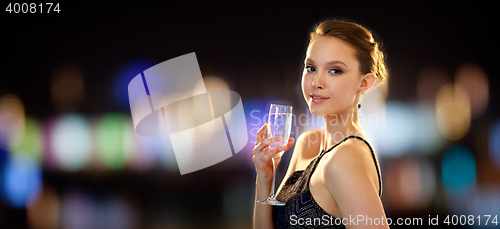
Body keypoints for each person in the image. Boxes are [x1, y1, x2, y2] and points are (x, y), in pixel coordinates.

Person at [252, 20, 389, 228]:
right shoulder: (307, 144)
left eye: (334, 70)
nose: (316, 81)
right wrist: (264, 180)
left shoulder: (346, 158)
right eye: (311, 67)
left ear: (364, 83)